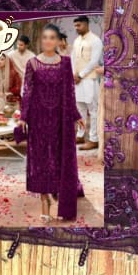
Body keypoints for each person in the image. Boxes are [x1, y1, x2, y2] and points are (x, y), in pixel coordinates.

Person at [20, 23, 81, 222]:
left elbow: (70, 92)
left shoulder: (65, 63)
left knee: (58, 157)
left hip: (60, 119)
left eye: (52, 37)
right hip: (38, 118)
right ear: (41, 40)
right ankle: (44, 200)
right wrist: (23, 117)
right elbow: (28, 92)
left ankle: (57, 190)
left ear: (58, 41)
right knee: (40, 159)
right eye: (45, 37)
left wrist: (76, 115)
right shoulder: (32, 63)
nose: (48, 41)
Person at [71, 16, 103, 151]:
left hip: (90, 79)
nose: (76, 28)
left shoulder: (95, 41)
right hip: (78, 80)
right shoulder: (77, 41)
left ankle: (94, 139)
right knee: (80, 109)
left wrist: (80, 75)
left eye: (79, 25)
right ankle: (80, 135)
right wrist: (73, 74)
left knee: (93, 110)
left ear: (86, 24)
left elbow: (94, 61)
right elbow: (73, 59)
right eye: (75, 26)